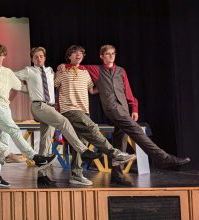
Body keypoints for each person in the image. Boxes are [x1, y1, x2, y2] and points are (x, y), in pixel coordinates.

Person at [0, 44, 95, 188]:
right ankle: (38, 157)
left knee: (21, 141)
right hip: (20, 106)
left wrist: (37, 87)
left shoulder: (46, 72)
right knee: (22, 128)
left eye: (41, 56)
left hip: (35, 107)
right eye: (36, 57)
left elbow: (22, 87)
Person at [62, 44, 190, 169]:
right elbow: (76, 65)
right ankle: (162, 158)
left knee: (120, 138)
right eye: (107, 54)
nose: (111, 56)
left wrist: (134, 107)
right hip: (112, 107)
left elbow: (127, 90)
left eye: (113, 54)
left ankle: (117, 174)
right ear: (101, 56)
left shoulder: (121, 71)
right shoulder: (96, 70)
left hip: (123, 108)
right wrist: (63, 65)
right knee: (137, 130)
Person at [52, 45, 136, 186]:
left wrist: (109, 88)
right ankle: (115, 154)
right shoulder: (62, 70)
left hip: (84, 110)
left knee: (80, 143)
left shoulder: (85, 73)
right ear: (69, 56)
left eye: (81, 53)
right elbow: (53, 85)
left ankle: (76, 175)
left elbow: (92, 90)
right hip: (69, 110)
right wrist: (59, 68)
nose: (78, 54)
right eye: (74, 53)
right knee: (91, 127)